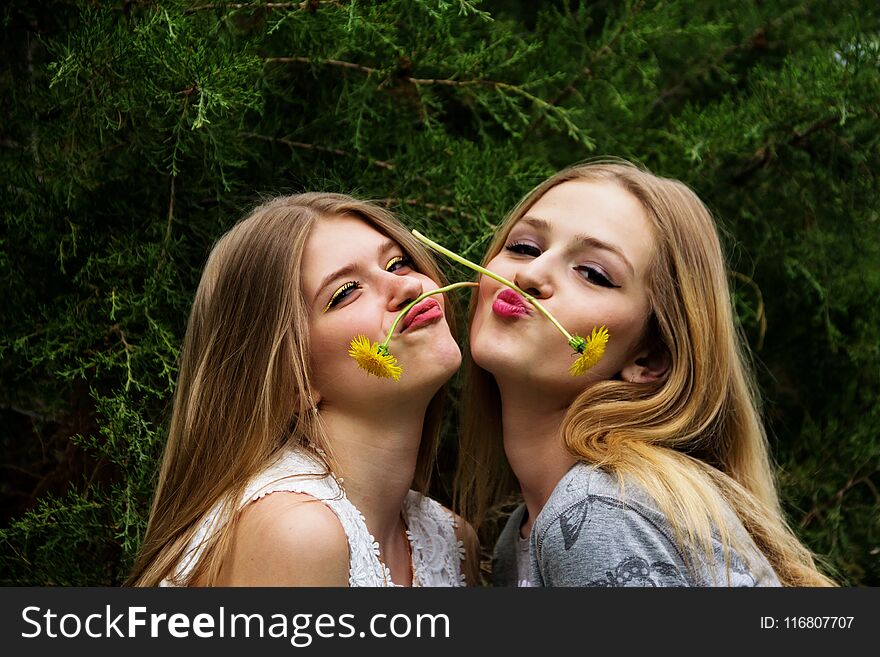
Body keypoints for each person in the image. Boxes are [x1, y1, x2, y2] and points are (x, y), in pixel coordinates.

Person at [455, 160, 835, 587]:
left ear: (651, 360)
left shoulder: (598, 511)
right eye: (524, 247)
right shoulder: (522, 537)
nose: (531, 274)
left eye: (594, 274)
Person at [128, 192, 477, 587]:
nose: (406, 285)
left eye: (398, 262)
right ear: (292, 382)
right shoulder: (294, 532)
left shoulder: (451, 541)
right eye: (345, 292)